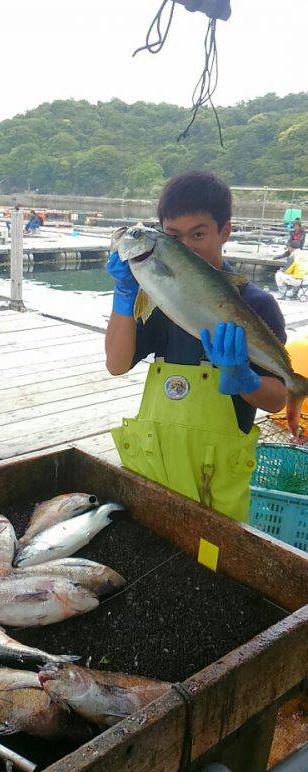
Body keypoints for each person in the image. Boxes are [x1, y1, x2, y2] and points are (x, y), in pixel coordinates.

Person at [105, 171, 287, 523]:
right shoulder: (157, 296)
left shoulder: (255, 305)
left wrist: (245, 380)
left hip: (216, 488)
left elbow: (278, 399)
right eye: (173, 236)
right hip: (153, 474)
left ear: (225, 231)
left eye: (198, 234)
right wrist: (124, 298)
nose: (186, 246)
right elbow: (116, 363)